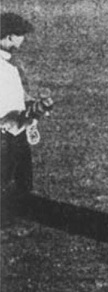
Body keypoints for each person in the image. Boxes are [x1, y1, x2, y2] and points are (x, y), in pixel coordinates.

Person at [0, 13, 51, 229]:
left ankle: (11, 217)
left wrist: (35, 106)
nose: (23, 40)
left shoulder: (11, 64)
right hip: (7, 131)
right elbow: (8, 110)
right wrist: (36, 110)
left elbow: (18, 99)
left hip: (14, 129)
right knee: (6, 176)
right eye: (20, 35)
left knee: (21, 175)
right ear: (9, 37)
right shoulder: (4, 67)